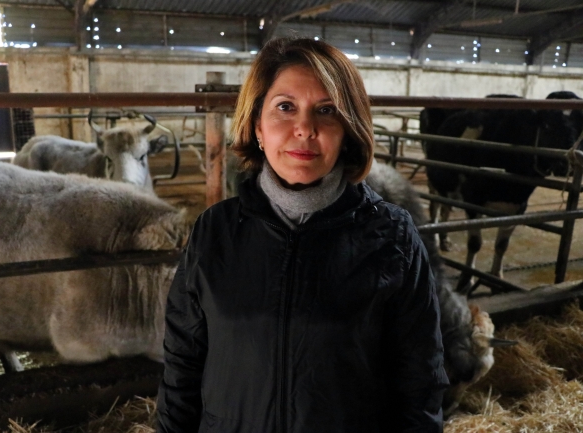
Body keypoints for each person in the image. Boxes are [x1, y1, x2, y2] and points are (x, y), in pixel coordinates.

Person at [157, 37, 448, 433]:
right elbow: (182, 365)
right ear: (258, 126)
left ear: (347, 130)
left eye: (326, 110)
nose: (305, 129)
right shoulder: (215, 231)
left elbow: (420, 383)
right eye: (285, 107)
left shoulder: (392, 237)